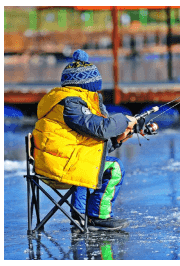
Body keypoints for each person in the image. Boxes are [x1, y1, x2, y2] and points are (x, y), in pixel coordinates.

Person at [33, 50, 136, 230]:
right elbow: (100, 128)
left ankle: (80, 214)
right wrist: (124, 119)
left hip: (63, 160)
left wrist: (119, 139)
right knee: (115, 168)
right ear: (88, 83)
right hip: (59, 166)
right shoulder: (71, 103)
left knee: (89, 164)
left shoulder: (66, 100)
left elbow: (90, 145)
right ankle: (98, 216)